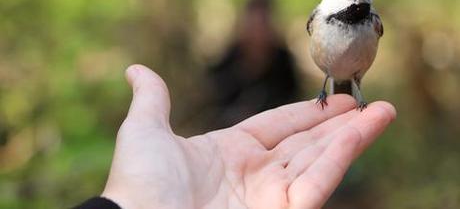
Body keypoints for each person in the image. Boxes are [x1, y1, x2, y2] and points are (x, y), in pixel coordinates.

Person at [74, 64, 396, 209]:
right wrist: (137, 204)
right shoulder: (231, 56)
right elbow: (215, 87)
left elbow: (291, 86)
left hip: (277, 141)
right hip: (234, 134)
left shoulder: (279, 55)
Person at [208, 0, 301, 128]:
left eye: (262, 25)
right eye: (253, 26)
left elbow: (292, 98)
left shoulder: (283, 62)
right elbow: (216, 102)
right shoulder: (227, 62)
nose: (258, 33)